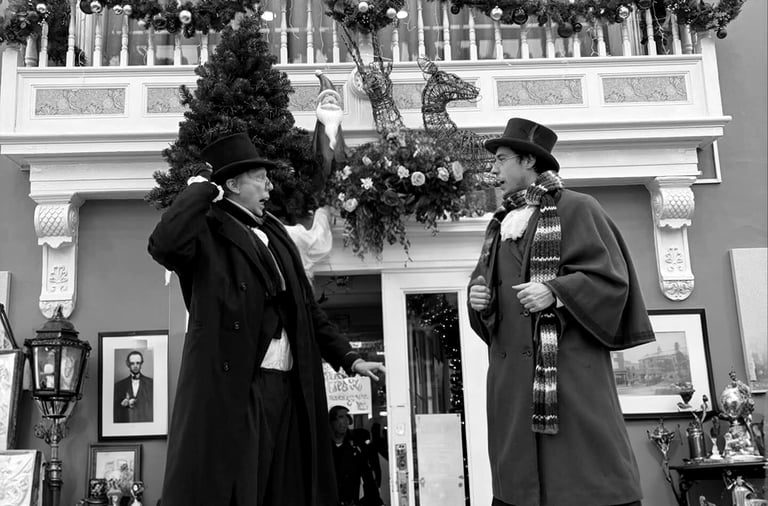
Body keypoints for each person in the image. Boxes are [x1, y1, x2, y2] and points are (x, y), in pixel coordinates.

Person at [148, 131, 385, 506]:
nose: (270, 187)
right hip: (241, 387)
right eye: (261, 178)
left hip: (289, 386)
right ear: (232, 184)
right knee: (243, 490)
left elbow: (306, 309)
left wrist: (348, 356)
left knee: (286, 490)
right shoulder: (207, 229)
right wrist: (201, 190)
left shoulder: (275, 233)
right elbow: (164, 244)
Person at [467, 118, 656, 506]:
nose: (494, 169)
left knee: (582, 483)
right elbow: (489, 297)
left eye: (501, 160)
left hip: (568, 382)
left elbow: (612, 280)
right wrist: (479, 302)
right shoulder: (500, 223)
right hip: (513, 393)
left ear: (529, 162)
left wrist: (555, 291)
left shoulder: (579, 208)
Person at [329, 406, 382, 506]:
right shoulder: (324, 448)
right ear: (331, 422)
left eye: (346, 417)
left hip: (355, 499)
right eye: (340, 417)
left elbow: (369, 474)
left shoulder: (358, 444)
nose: (344, 422)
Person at [113, 350, 153, 423]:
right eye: (132, 363)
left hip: (145, 424)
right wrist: (122, 404)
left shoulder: (151, 383)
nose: (135, 366)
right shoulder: (118, 385)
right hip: (126, 424)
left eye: (138, 363)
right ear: (128, 364)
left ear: (141, 364)